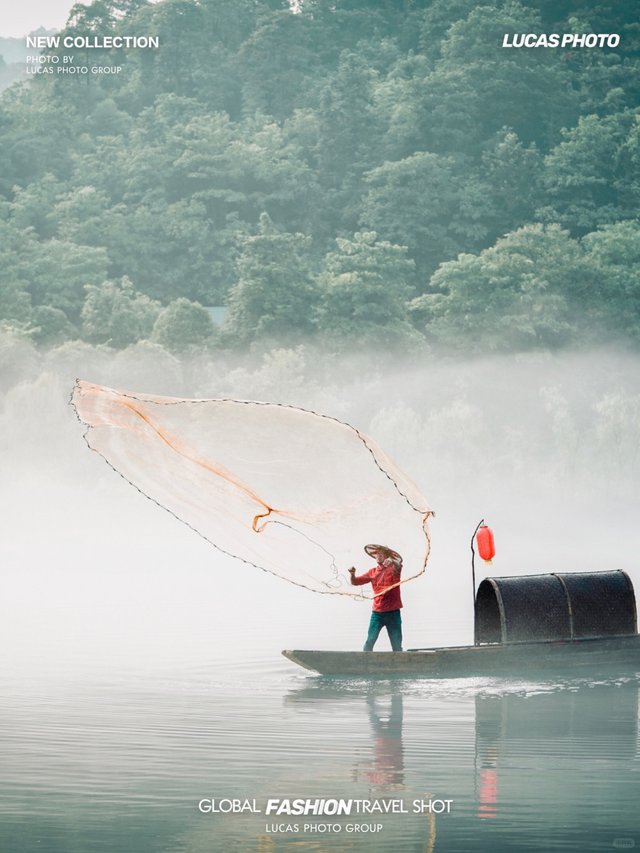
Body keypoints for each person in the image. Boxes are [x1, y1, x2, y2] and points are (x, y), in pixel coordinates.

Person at [349, 544, 403, 652]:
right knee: (370, 641)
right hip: (377, 614)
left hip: (393, 613)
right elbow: (355, 582)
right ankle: (364, 662)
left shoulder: (394, 569)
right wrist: (352, 574)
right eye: (377, 554)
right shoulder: (372, 572)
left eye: (381, 554)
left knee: (397, 645)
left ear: (387, 556)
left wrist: (392, 561)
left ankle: (399, 664)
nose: (378, 556)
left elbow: (399, 563)